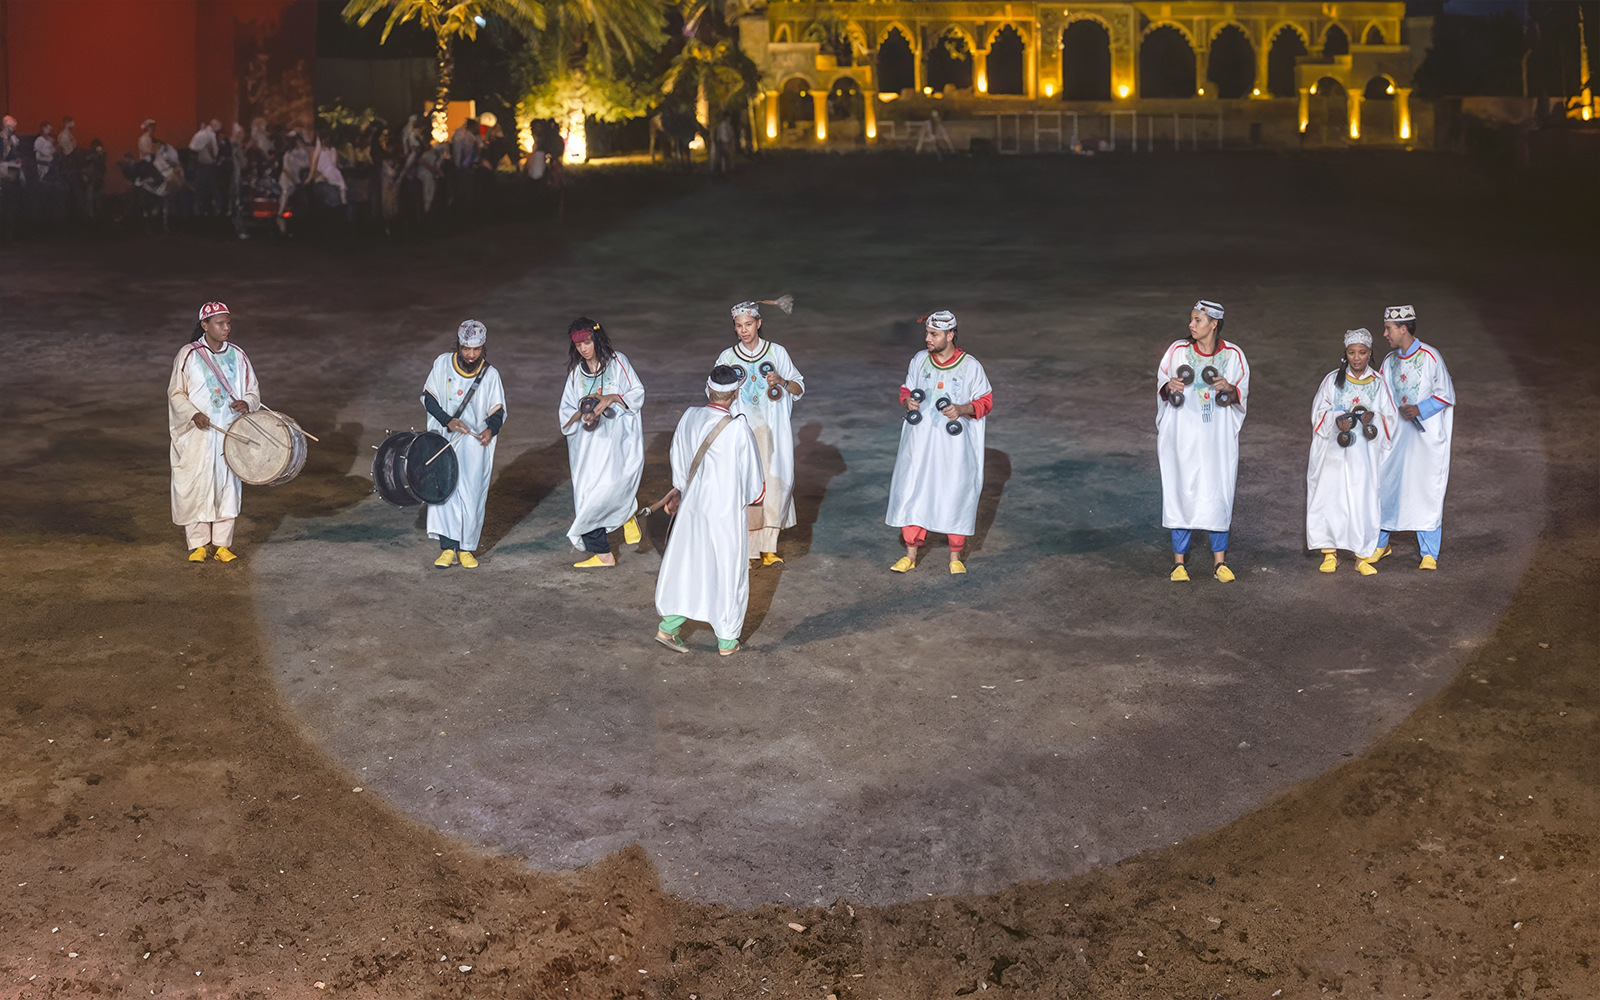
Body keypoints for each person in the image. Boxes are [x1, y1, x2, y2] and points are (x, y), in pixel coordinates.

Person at [653, 365, 766, 656]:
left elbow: (677, 459)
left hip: (692, 508)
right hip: (724, 513)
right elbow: (755, 485)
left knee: (687, 565)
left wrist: (681, 488)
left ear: (708, 387)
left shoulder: (689, 416)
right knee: (726, 571)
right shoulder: (738, 427)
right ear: (736, 393)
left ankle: (668, 626)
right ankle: (727, 641)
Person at [885, 310, 994, 574]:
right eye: (927, 333)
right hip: (919, 442)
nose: (928, 339)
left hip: (952, 447)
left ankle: (955, 556)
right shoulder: (920, 360)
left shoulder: (971, 366)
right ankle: (910, 554)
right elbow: (906, 389)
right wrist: (907, 401)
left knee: (954, 490)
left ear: (950, 335)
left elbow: (986, 401)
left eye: (934, 334)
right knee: (912, 488)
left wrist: (962, 409)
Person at [1157, 299, 1251, 582]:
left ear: (1214, 324)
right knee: (1181, 489)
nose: (1191, 325)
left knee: (1218, 490)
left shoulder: (1233, 355)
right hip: (1183, 434)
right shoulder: (1178, 351)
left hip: (1216, 439)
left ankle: (1219, 562)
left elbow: (1241, 394)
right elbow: (1161, 384)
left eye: (1198, 320)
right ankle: (1178, 563)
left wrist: (1230, 389)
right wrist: (1168, 386)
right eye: (1191, 319)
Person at [167, 302, 260, 562]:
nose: (226, 328)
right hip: (198, 433)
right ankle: (197, 545)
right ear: (204, 325)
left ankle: (222, 545)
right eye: (220, 323)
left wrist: (248, 403)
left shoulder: (239, 356)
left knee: (227, 485)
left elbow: (253, 390)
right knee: (196, 482)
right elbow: (176, 392)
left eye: (228, 322)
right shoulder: (188, 354)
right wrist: (192, 414)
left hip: (228, 431)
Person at [714, 301, 805, 566]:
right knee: (747, 487)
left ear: (759, 323)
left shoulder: (777, 352)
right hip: (743, 434)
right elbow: (713, 392)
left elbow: (799, 388)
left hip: (774, 433)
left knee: (777, 483)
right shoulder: (727, 358)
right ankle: (749, 548)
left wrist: (782, 382)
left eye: (749, 324)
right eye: (739, 326)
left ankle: (768, 548)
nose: (744, 330)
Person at [1305, 328, 1399, 574]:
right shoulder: (1332, 381)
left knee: (1362, 501)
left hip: (1363, 456)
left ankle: (1361, 556)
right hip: (1334, 454)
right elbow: (1318, 412)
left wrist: (1372, 419)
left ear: (1370, 354)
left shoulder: (1378, 384)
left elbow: (1390, 417)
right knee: (1331, 498)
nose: (1357, 358)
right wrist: (1337, 418)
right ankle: (1329, 553)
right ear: (1345, 354)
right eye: (1351, 352)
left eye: (1362, 353)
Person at [1374, 305, 1455, 570]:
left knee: (1425, 489)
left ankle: (1429, 552)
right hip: (1396, 439)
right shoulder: (1388, 362)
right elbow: (1381, 398)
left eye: (1389, 329)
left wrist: (1419, 409)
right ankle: (1380, 544)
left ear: (1403, 329)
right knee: (1386, 484)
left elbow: (1445, 395)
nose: (1385, 334)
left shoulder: (1431, 357)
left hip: (1425, 440)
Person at [559, 318, 645, 567]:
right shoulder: (576, 374)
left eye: (587, 342)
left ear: (596, 338)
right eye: (578, 345)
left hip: (615, 441)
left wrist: (612, 398)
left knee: (611, 485)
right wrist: (582, 417)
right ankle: (614, 536)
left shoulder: (618, 362)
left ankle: (620, 524)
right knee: (588, 495)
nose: (584, 348)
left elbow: (637, 393)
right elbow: (567, 410)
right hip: (588, 447)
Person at [422, 320, 506, 568]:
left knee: (471, 493)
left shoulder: (490, 375)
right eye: (466, 349)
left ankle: (467, 548)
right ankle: (447, 549)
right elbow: (429, 399)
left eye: (476, 349)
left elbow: (497, 410)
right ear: (458, 344)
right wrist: (447, 421)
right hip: (445, 440)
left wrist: (491, 429)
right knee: (445, 491)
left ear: (483, 347)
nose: (471, 355)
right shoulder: (442, 364)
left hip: (473, 446)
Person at [188, 118, 221, 215]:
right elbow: (211, 150)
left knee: (203, 188)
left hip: (203, 165)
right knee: (207, 188)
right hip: (206, 165)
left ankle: (201, 209)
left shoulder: (204, 133)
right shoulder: (208, 135)